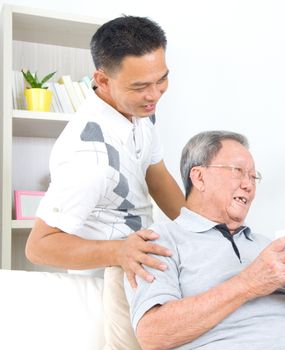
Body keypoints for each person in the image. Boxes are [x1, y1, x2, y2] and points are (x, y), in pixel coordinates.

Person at [25, 15, 185, 286]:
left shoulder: (138, 110)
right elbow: (39, 246)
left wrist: (202, 229)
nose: (155, 94)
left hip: (140, 272)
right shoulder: (87, 156)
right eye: (140, 87)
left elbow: (156, 175)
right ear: (102, 80)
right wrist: (119, 251)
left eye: (162, 80)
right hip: (104, 283)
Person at [124, 130, 285, 350]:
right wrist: (250, 282)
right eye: (238, 171)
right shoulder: (159, 240)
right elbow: (152, 336)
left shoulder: (269, 247)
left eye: (253, 177)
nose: (249, 185)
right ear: (198, 177)